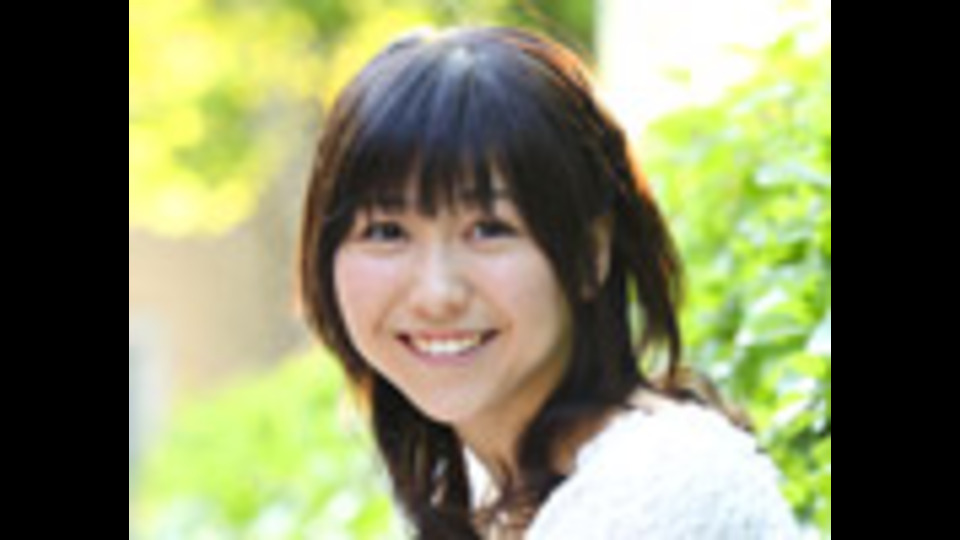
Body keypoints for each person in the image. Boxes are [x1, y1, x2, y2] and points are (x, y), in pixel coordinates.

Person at [298, 25, 800, 540]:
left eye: (489, 229)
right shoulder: (483, 491)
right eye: (386, 232)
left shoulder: (662, 487)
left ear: (589, 253)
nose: (437, 294)